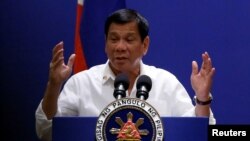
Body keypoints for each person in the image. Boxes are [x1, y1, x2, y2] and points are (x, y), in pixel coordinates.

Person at [35, 8, 216, 141]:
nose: (120, 47)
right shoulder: (82, 83)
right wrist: (54, 85)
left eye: (129, 40)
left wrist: (202, 98)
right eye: (113, 39)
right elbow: (47, 131)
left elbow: (198, 132)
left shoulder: (165, 82)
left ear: (145, 45)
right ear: (105, 44)